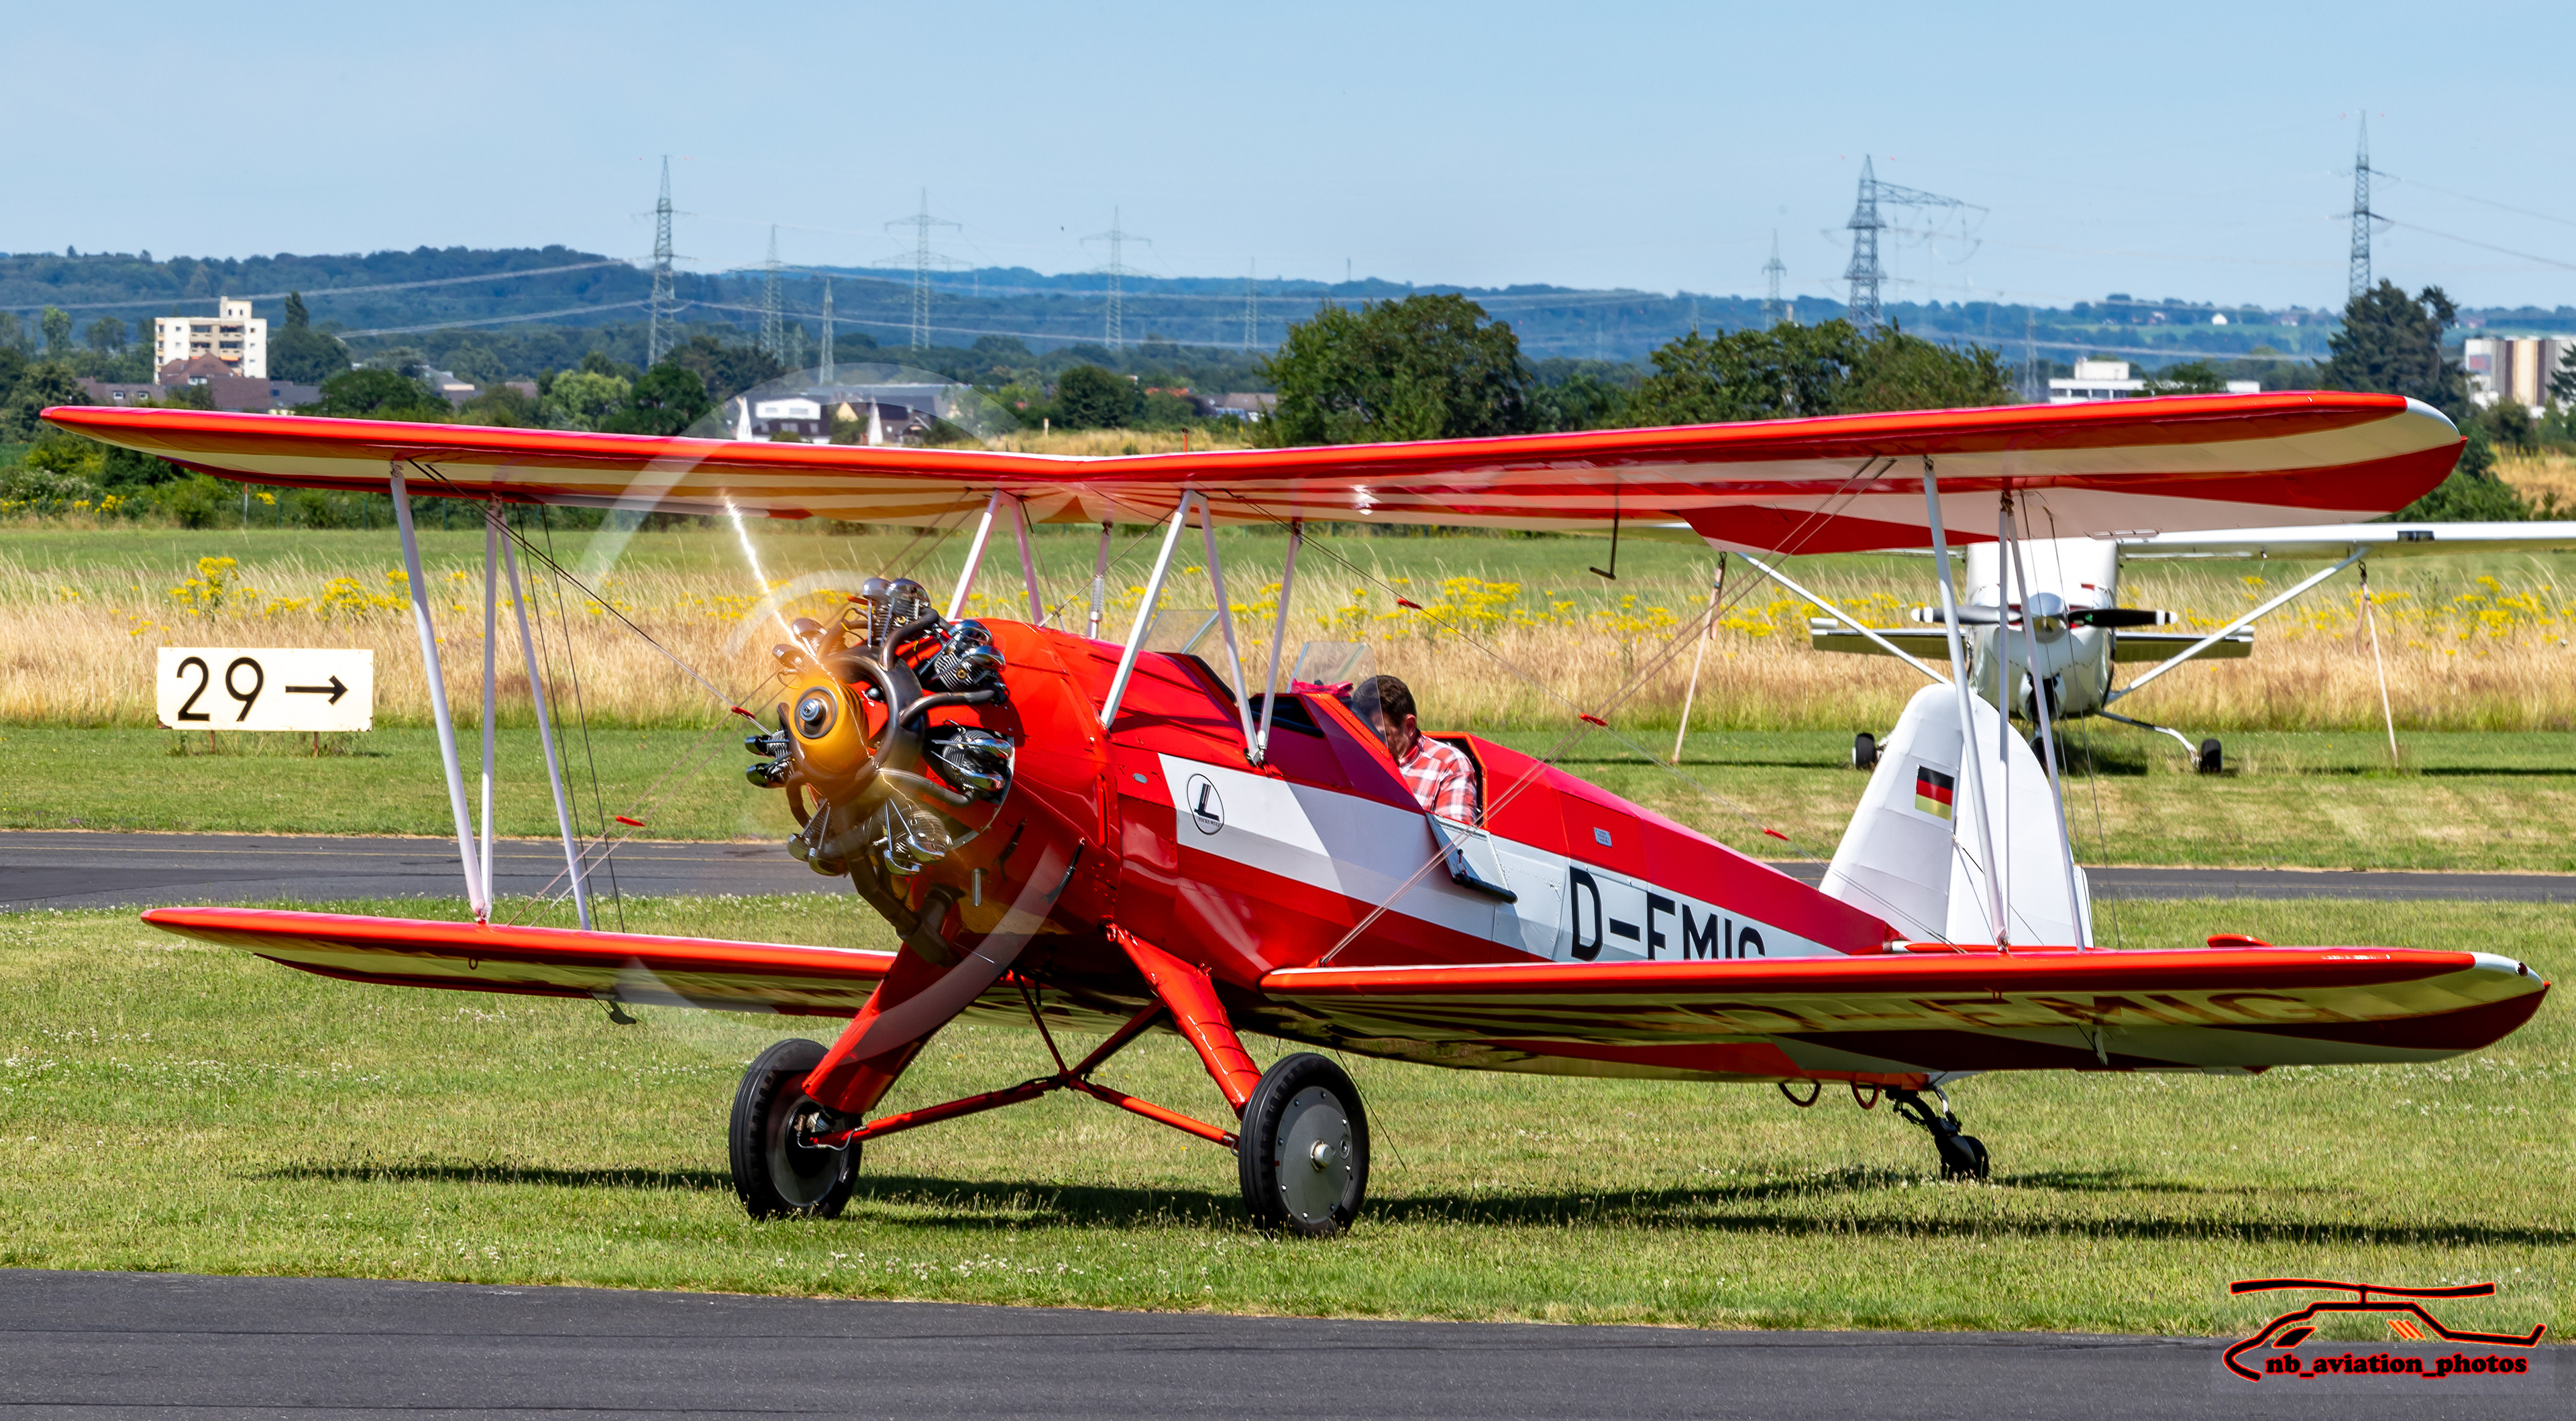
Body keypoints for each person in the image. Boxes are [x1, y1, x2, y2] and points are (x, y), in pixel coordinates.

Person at [1362, 674, 1479, 825]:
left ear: (1409, 726)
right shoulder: (1356, 757)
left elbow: (1455, 843)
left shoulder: (1450, 765)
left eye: (1381, 735)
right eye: (1363, 732)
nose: (1370, 742)